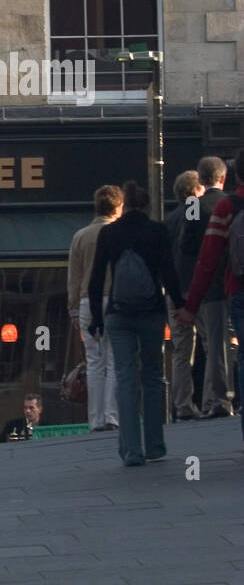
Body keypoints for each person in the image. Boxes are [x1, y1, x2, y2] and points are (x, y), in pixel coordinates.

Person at [88, 181, 184, 466]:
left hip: (118, 314)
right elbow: (169, 272)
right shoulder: (157, 231)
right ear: (146, 206)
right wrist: (180, 306)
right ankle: (155, 445)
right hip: (152, 313)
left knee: (126, 380)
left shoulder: (109, 233)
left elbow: (95, 280)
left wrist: (97, 318)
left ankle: (131, 450)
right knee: (153, 377)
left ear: (125, 205)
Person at [177, 146, 244, 438]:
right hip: (228, 281)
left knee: (210, 346)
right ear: (224, 176)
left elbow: (190, 246)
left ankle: (211, 400)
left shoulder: (200, 206)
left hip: (220, 288)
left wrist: (190, 301)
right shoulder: (225, 203)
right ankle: (223, 398)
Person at [68, 184, 124, 431]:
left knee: (94, 361)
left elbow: (74, 276)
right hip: (115, 299)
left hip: (86, 301)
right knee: (114, 360)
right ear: (117, 207)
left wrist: (73, 308)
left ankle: (95, 420)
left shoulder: (81, 236)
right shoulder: (119, 233)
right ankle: (112, 416)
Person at [164, 170, 206, 421]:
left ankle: (183, 404)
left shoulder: (169, 220)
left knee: (181, 349)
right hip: (200, 288)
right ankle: (214, 398)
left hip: (175, 291)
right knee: (212, 343)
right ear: (197, 190)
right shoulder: (196, 212)